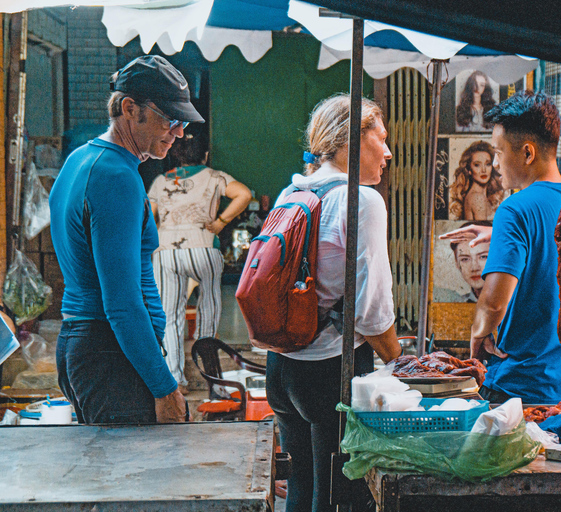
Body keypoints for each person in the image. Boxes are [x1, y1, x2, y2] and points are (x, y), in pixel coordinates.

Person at [265, 94, 402, 512]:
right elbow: (371, 309)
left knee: (303, 491)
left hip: (282, 369)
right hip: (331, 371)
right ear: (351, 141)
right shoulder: (361, 200)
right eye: (381, 138)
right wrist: (402, 366)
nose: (389, 151)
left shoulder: (292, 190)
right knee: (340, 499)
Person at [49, 55, 203, 424]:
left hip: (85, 343)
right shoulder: (115, 176)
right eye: (170, 119)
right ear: (129, 108)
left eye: (182, 122)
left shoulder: (79, 160)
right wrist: (163, 387)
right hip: (110, 352)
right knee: (133, 478)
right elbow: (121, 302)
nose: (179, 132)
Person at [443, 91, 561, 404]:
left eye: (498, 152)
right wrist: (498, 237)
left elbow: (493, 302)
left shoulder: (515, 209)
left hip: (523, 390)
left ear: (527, 153)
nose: (494, 163)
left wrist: (477, 339)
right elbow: (556, 258)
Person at [148, 132, 252, 393]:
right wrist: (220, 222)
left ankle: (176, 382)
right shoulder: (215, 177)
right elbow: (244, 195)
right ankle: (214, 383)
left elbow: (149, 219)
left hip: (166, 251)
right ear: (205, 155)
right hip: (203, 247)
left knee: (170, 317)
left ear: (175, 154)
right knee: (208, 311)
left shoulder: (162, 181)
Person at [434, 221, 492, 303]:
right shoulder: (455, 302)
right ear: (457, 262)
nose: (474, 268)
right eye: (465, 259)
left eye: (483, 257)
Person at [448, 141, 505, 220]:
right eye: (477, 165)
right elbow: (484, 231)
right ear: (469, 170)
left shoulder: (480, 196)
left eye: (488, 164)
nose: (483, 170)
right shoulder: (477, 198)